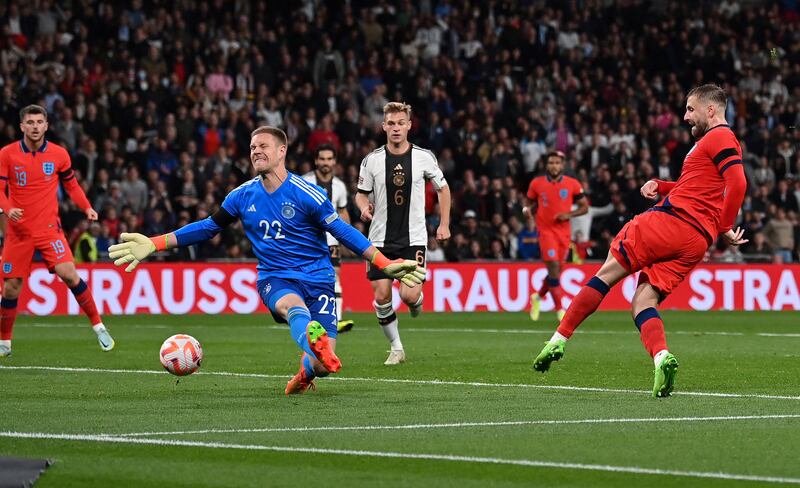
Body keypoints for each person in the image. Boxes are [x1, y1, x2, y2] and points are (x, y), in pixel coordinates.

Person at [109, 126, 425, 394]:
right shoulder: (241, 196)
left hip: (318, 277)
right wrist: (154, 243)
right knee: (292, 307)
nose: (255, 151)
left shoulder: (308, 194)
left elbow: (343, 231)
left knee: (322, 367)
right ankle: (311, 339)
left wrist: (383, 263)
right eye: (252, 147)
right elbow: (207, 228)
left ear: (281, 151)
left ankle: (306, 370)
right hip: (275, 277)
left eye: (263, 146)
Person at [531, 84, 748, 397]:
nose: (685, 116)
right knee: (643, 301)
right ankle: (662, 357)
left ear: (711, 110)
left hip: (668, 223)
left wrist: (727, 223)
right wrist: (661, 186)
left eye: (690, 109)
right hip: (696, 241)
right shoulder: (712, 143)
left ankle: (558, 340)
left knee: (605, 275)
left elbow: (738, 182)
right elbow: (696, 187)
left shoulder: (719, 136)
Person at [0, 105, 114, 357]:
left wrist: (87, 208)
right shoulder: (7, 154)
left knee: (69, 274)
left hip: (49, 230)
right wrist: (8, 210)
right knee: (10, 289)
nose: (35, 126)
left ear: (46, 125)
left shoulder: (59, 154)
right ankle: (5, 342)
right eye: (30, 122)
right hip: (18, 232)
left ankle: (98, 326)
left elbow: (72, 186)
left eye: (39, 122)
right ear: (21, 126)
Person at [356, 102, 451, 365]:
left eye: (401, 123)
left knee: (408, 296)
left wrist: (444, 224)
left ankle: (415, 300)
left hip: (414, 239)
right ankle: (396, 348)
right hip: (378, 239)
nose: (396, 128)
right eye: (391, 123)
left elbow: (443, 189)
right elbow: (361, 195)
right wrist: (364, 209)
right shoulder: (372, 160)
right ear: (383, 126)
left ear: (409, 125)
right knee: (382, 295)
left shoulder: (423, 157)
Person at [524, 150, 588, 321]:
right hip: (545, 231)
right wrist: (526, 210)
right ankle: (560, 310)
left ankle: (537, 297)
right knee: (552, 266)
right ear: (547, 165)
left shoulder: (572, 184)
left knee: (556, 272)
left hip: (564, 233)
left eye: (557, 163)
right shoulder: (536, 183)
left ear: (562, 165)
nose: (554, 166)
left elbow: (585, 207)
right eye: (551, 163)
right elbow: (528, 202)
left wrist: (569, 215)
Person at [302, 144, 355, 333]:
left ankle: (337, 320)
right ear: (316, 161)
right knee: (308, 280)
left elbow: (342, 212)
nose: (326, 163)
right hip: (307, 240)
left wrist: (347, 237)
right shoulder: (305, 181)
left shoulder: (339, 186)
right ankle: (308, 317)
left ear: (334, 161)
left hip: (331, 239)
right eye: (322, 159)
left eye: (329, 159)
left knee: (334, 277)